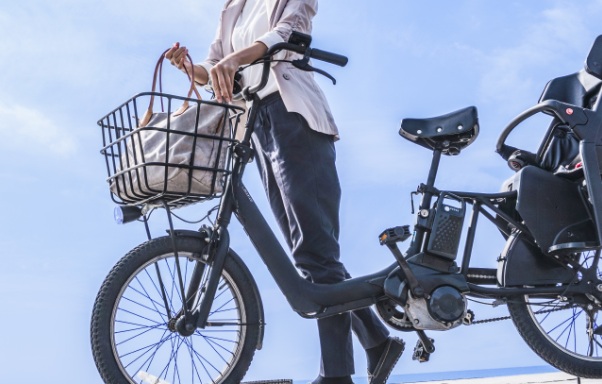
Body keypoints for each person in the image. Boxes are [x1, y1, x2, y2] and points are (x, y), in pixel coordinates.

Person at [166, 1, 405, 383]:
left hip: (295, 117)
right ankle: (376, 340)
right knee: (307, 254)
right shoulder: (233, 8)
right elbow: (214, 68)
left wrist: (236, 61)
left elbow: (288, 33)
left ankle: (337, 375)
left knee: (316, 249)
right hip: (257, 126)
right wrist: (190, 68)